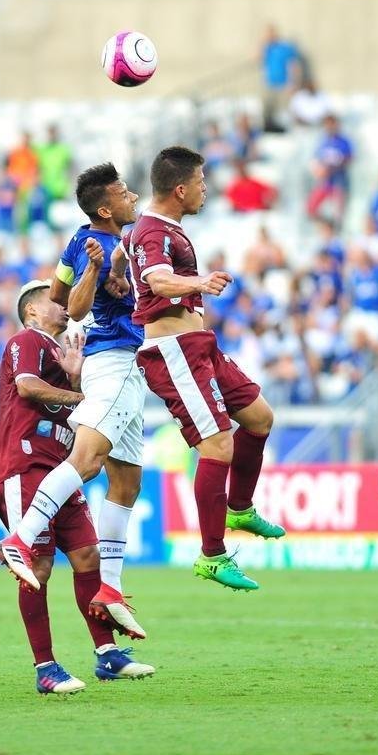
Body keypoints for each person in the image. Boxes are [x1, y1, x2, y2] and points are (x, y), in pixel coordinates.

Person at [0, 163, 148, 640]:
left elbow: (63, 297)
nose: (132, 196)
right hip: (117, 357)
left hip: (122, 364)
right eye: (123, 191)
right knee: (88, 463)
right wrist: (102, 275)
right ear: (105, 207)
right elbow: (75, 306)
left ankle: (111, 592)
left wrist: (107, 278)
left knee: (125, 481)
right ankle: (19, 541)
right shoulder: (93, 248)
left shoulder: (78, 247)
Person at [0, 279, 154, 694]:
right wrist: (80, 397)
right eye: (53, 300)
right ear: (31, 311)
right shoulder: (27, 339)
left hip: (60, 470)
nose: (63, 305)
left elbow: (71, 408)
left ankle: (107, 655)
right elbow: (28, 387)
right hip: (23, 467)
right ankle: (45, 667)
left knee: (87, 556)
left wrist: (78, 379)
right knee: (38, 567)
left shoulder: (65, 354)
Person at [130, 147, 284, 589]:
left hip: (199, 344)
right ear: (180, 190)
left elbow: (130, 265)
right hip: (175, 350)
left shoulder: (155, 229)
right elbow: (157, 279)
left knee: (259, 417)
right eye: (200, 182)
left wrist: (119, 275)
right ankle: (212, 556)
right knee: (217, 447)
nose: (205, 189)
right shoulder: (154, 233)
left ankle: (240, 507)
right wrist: (198, 282)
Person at [260, 25, 301, 131]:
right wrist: (263, 43)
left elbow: (293, 65)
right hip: (270, 84)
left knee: (283, 111)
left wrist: (293, 83)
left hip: (283, 84)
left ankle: (285, 131)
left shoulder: (285, 48)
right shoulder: (268, 48)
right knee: (268, 109)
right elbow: (257, 59)